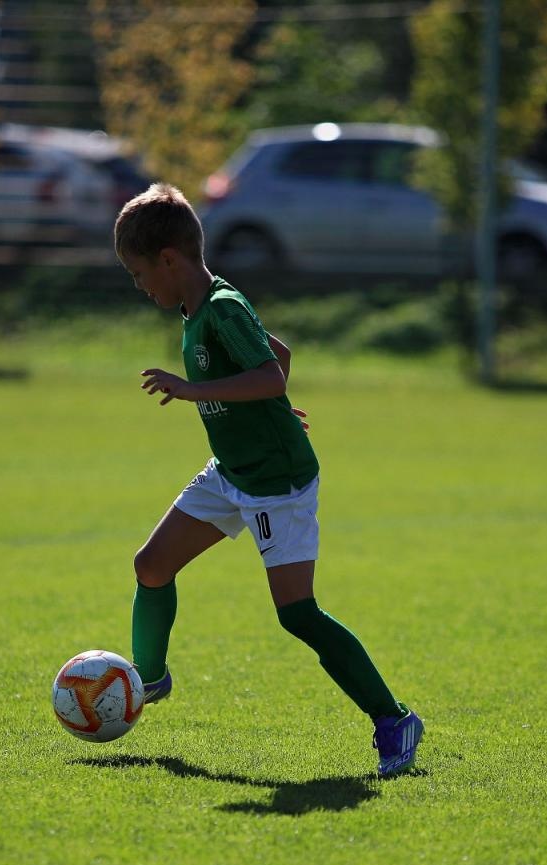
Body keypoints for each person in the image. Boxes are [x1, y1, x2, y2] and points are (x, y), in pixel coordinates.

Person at [114, 184, 421, 776]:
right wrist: (270, 408)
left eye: (138, 272)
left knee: (297, 614)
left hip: (277, 483)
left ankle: (395, 720)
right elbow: (278, 354)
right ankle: (148, 680)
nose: (139, 285)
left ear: (170, 260)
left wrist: (201, 391)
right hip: (231, 474)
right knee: (150, 566)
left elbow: (269, 374)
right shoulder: (200, 306)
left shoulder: (221, 307)